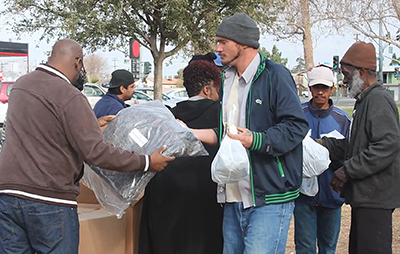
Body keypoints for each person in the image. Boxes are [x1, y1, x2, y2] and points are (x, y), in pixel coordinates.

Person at [0, 38, 174, 254]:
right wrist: (147, 161)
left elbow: (41, 130)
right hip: (50, 199)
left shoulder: (21, 86)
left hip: (7, 194)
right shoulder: (70, 96)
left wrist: (93, 124)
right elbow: (96, 153)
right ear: (77, 62)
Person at [193, 13, 309, 254]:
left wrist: (255, 140)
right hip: (233, 196)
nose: (218, 48)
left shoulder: (276, 75)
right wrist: (189, 132)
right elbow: (228, 133)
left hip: (270, 199)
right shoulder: (226, 80)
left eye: (223, 41)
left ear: (243, 43)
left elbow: (296, 126)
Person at [318, 41, 400, 254]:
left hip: (376, 198)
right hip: (365, 197)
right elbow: (355, 145)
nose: (344, 81)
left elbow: (387, 145)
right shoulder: (364, 101)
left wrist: (348, 170)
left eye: (346, 74)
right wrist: (321, 145)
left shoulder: (378, 100)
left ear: (362, 72)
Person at [139, 59, 223, 254]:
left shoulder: (168, 116)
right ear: (208, 89)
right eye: (217, 90)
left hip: (164, 195)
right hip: (204, 200)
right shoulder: (221, 117)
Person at [294, 66, 351, 254]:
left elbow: (350, 153)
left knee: (328, 248)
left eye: (324, 88)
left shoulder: (343, 120)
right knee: (305, 248)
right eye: (316, 87)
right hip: (303, 196)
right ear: (309, 88)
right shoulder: (297, 116)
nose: (320, 92)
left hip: (332, 193)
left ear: (332, 89)